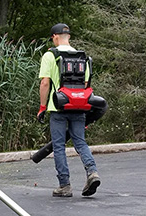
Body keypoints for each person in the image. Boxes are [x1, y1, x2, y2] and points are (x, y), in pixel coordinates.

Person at [37, 23, 100, 198]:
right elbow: (86, 84)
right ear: (69, 37)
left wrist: (42, 107)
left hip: (58, 106)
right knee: (80, 142)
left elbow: (45, 83)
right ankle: (92, 172)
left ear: (54, 37)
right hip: (79, 106)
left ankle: (64, 185)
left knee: (59, 146)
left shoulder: (50, 55)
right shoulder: (82, 57)